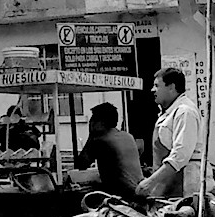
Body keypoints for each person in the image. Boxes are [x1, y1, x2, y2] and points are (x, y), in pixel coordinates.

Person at [137, 67, 203, 198]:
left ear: (171, 87)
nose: (152, 90)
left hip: (184, 183)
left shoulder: (185, 112)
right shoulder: (169, 112)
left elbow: (180, 155)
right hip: (169, 184)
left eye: (157, 86)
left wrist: (150, 182)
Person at [74, 102, 143, 199]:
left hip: (121, 196)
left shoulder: (101, 141)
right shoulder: (127, 136)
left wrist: (91, 134)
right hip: (137, 191)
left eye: (93, 118)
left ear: (101, 122)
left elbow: (81, 164)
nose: (90, 121)